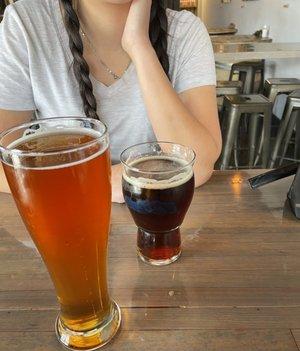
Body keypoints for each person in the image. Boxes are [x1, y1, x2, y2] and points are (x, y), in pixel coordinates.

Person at [0, 0, 222, 202]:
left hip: (161, 213)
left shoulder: (186, 31)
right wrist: (95, 184)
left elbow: (199, 165)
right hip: (67, 215)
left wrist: (139, 46)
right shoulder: (26, 23)